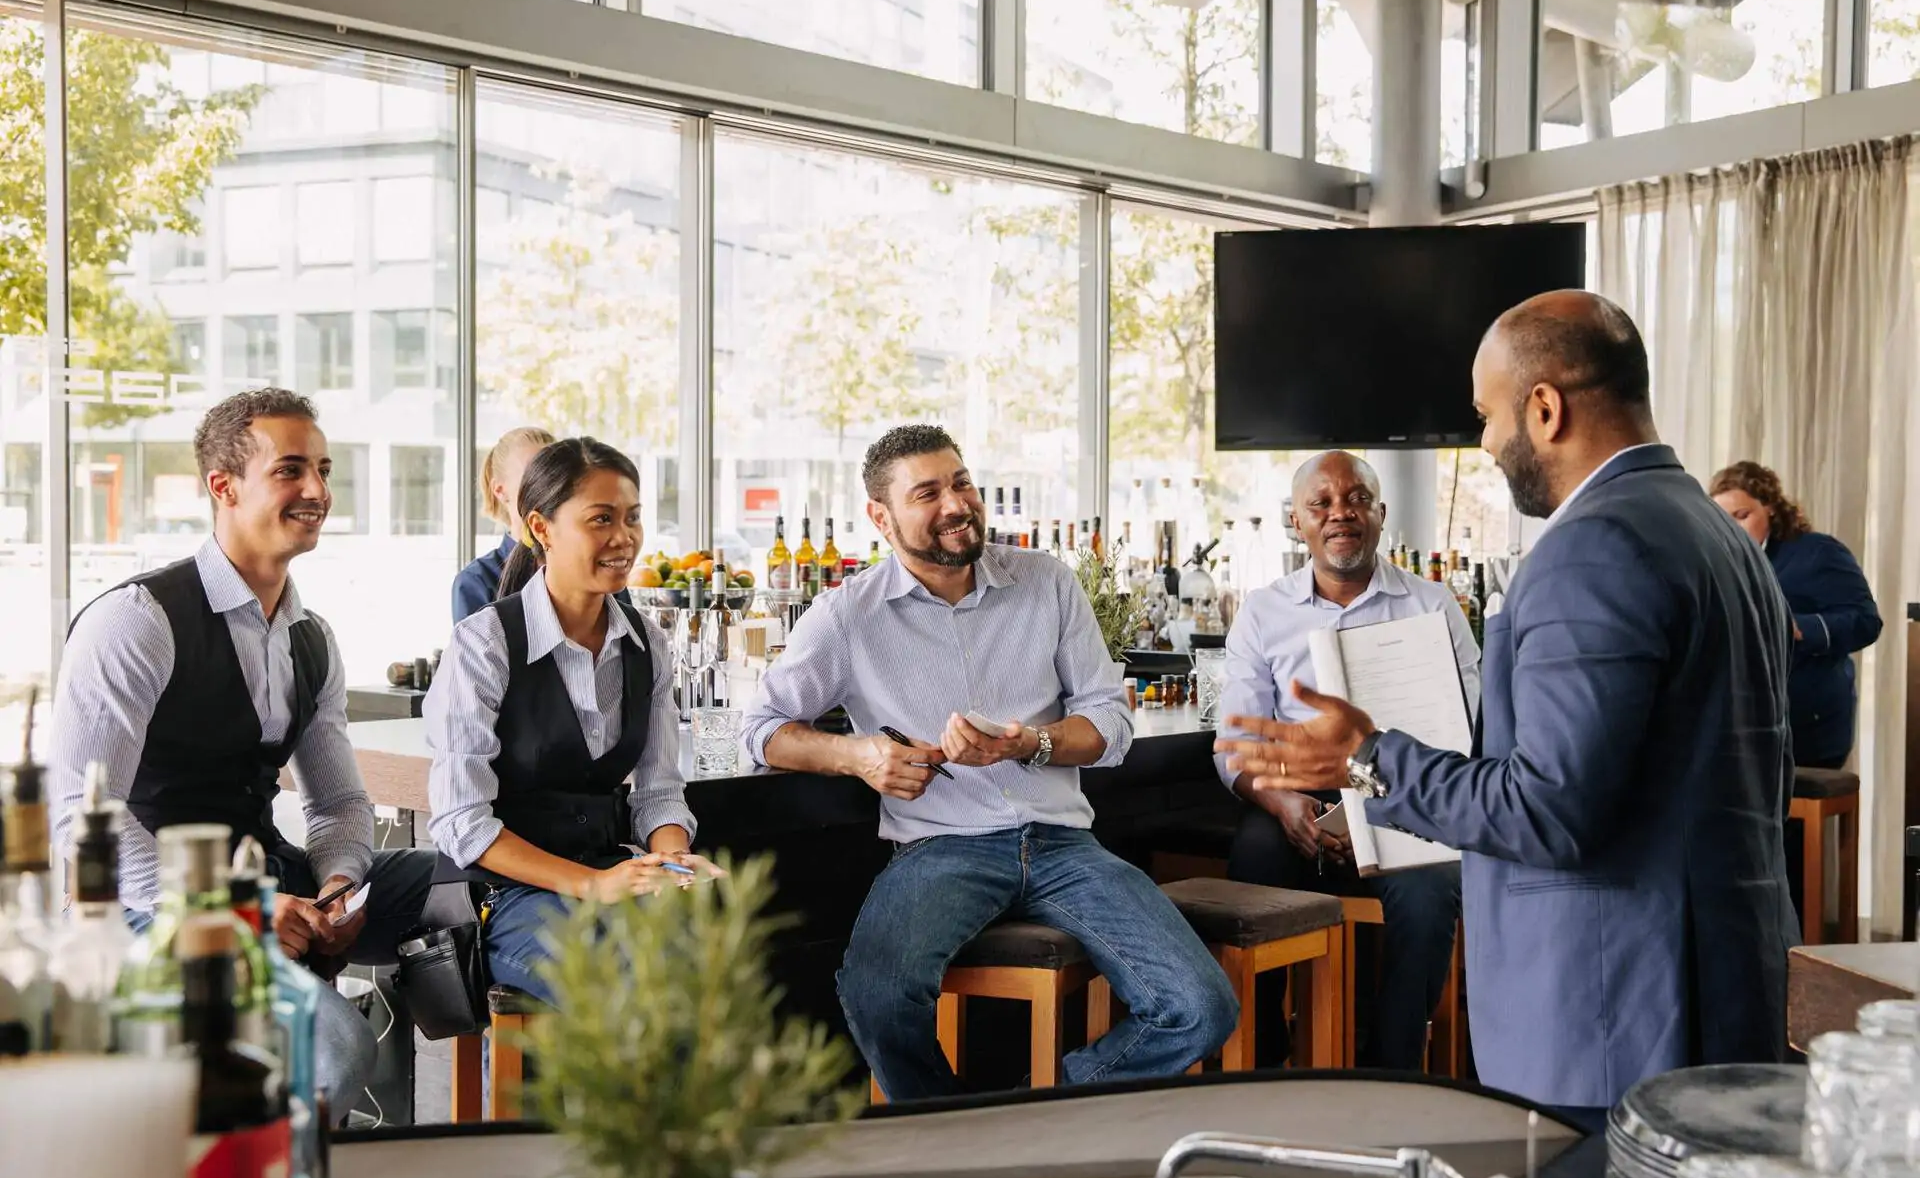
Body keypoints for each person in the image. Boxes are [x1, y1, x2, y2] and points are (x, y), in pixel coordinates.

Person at [1218, 291, 1797, 1128]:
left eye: (1488, 417)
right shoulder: (1721, 535)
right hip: (1728, 985)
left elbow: (1550, 810)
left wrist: (1366, 759)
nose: (1485, 442)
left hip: (1609, 1011)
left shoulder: (1591, 550)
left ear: (1545, 408)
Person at [743, 424, 1237, 1102]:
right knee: (876, 996)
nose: (957, 503)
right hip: (940, 849)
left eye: (961, 482)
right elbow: (762, 728)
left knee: (1202, 1006)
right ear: (880, 518)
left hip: (1066, 847)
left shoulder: (1047, 583)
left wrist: (1027, 744)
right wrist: (857, 755)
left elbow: (1111, 724)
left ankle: (1039, 1115)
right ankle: (950, 1127)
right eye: (929, 493)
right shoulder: (845, 616)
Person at [51, 388, 435, 1118]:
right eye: (290, 470)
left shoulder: (310, 637)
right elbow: (81, 817)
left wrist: (340, 881)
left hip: (273, 879)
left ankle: (439, 1149)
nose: (317, 490)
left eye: (323, 469)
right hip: (150, 909)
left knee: (465, 885)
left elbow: (339, 803)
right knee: (335, 1049)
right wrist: (246, 909)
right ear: (222, 487)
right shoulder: (136, 622)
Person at [425, 437, 714, 1006]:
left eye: (633, 518)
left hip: (606, 877)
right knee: (624, 987)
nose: (623, 537)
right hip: (501, 896)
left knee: (713, 972)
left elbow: (658, 792)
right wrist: (595, 886)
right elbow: (462, 822)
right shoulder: (484, 643)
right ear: (542, 527)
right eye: (600, 519)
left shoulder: (647, 644)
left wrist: (672, 859)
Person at [1216, 450, 1473, 1070]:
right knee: (1253, 854)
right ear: (1296, 521)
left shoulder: (1432, 606)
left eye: (1356, 498)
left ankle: (1393, 1067)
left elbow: (1467, 729)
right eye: (1321, 504)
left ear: (1381, 514)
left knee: (1434, 889)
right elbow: (1234, 744)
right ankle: (1267, 1054)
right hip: (1301, 802)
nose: (1340, 514)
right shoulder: (1263, 612)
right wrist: (1283, 804)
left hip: (1405, 801)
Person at [1710, 461, 1882, 770]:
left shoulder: (1818, 552)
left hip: (1809, 727)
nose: (1732, 530)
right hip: (1743, 727)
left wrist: (1797, 629)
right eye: (1723, 521)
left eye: (1742, 516)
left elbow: (1866, 621)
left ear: (1771, 508)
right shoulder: (1718, 563)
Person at [452, 426, 554, 624]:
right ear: (500, 490)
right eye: (532, 476)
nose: (548, 486)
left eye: (554, 475)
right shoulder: (477, 582)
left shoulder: (591, 567)